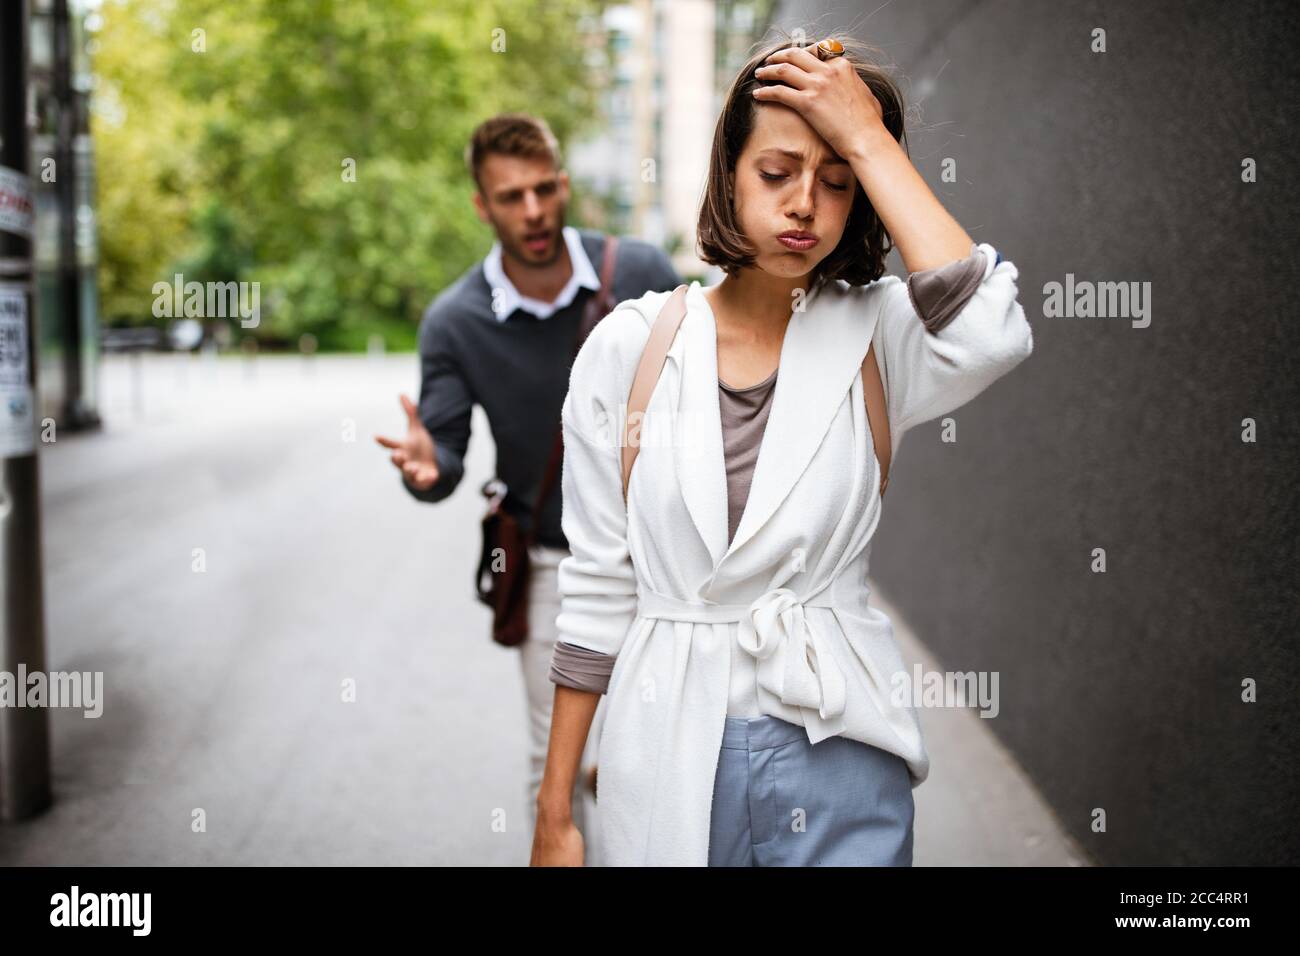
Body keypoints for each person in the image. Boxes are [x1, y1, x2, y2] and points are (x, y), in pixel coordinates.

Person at [530, 35, 1034, 867]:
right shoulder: (629, 349)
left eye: (838, 183)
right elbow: (596, 589)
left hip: (841, 744)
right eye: (776, 173)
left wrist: (869, 137)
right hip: (665, 750)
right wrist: (554, 814)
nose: (805, 203)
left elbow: (990, 336)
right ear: (728, 171)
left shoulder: (883, 336)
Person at [375, 113, 680, 852]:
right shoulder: (454, 322)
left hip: (669, 559)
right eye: (511, 197)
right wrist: (427, 468)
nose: (534, 211)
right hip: (551, 564)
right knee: (556, 769)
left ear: (564, 183)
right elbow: (442, 459)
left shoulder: (641, 274)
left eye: (545, 189)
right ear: (482, 206)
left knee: (670, 755)